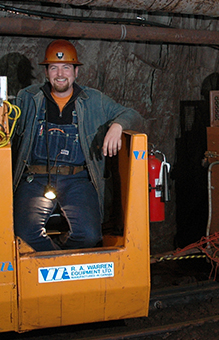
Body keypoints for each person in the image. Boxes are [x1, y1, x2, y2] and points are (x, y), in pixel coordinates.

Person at [12, 39, 143, 251]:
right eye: (54, 68)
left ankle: (61, 262)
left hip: (77, 179)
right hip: (35, 178)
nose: (60, 73)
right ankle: (58, 267)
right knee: (24, 235)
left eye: (66, 67)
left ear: (76, 72)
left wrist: (118, 125)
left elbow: (133, 115)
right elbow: (4, 121)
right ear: (46, 72)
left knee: (90, 236)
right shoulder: (28, 98)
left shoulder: (93, 100)